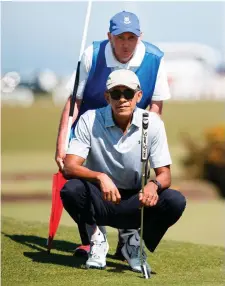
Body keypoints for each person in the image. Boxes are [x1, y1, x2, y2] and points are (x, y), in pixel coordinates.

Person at [55, 11, 171, 260]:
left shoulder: (155, 58)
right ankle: (93, 239)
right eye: (120, 38)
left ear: (140, 36)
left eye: (132, 37)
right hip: (92, 125)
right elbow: (74, 101)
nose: (126, 44)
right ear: (110, 37)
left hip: (135, 126)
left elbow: (156, 107)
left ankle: (129, 240)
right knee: (78, 185)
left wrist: (148, 140)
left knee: (132, 185)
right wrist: (62, 144)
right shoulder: (92, 54)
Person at [60, 69, 186, 272]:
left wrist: (153, 185)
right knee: (71, 190)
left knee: (175, 200)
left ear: (138, 96)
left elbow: (165, 174)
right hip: (99, 197)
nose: (122, 100)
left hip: (135, 201)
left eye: (128, 94)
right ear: (106, 96)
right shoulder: (90, 119)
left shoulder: (152, 123)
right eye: (115, 94)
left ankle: (133, 240)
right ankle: (96, 239)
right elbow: (69, 166)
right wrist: (100, 177)